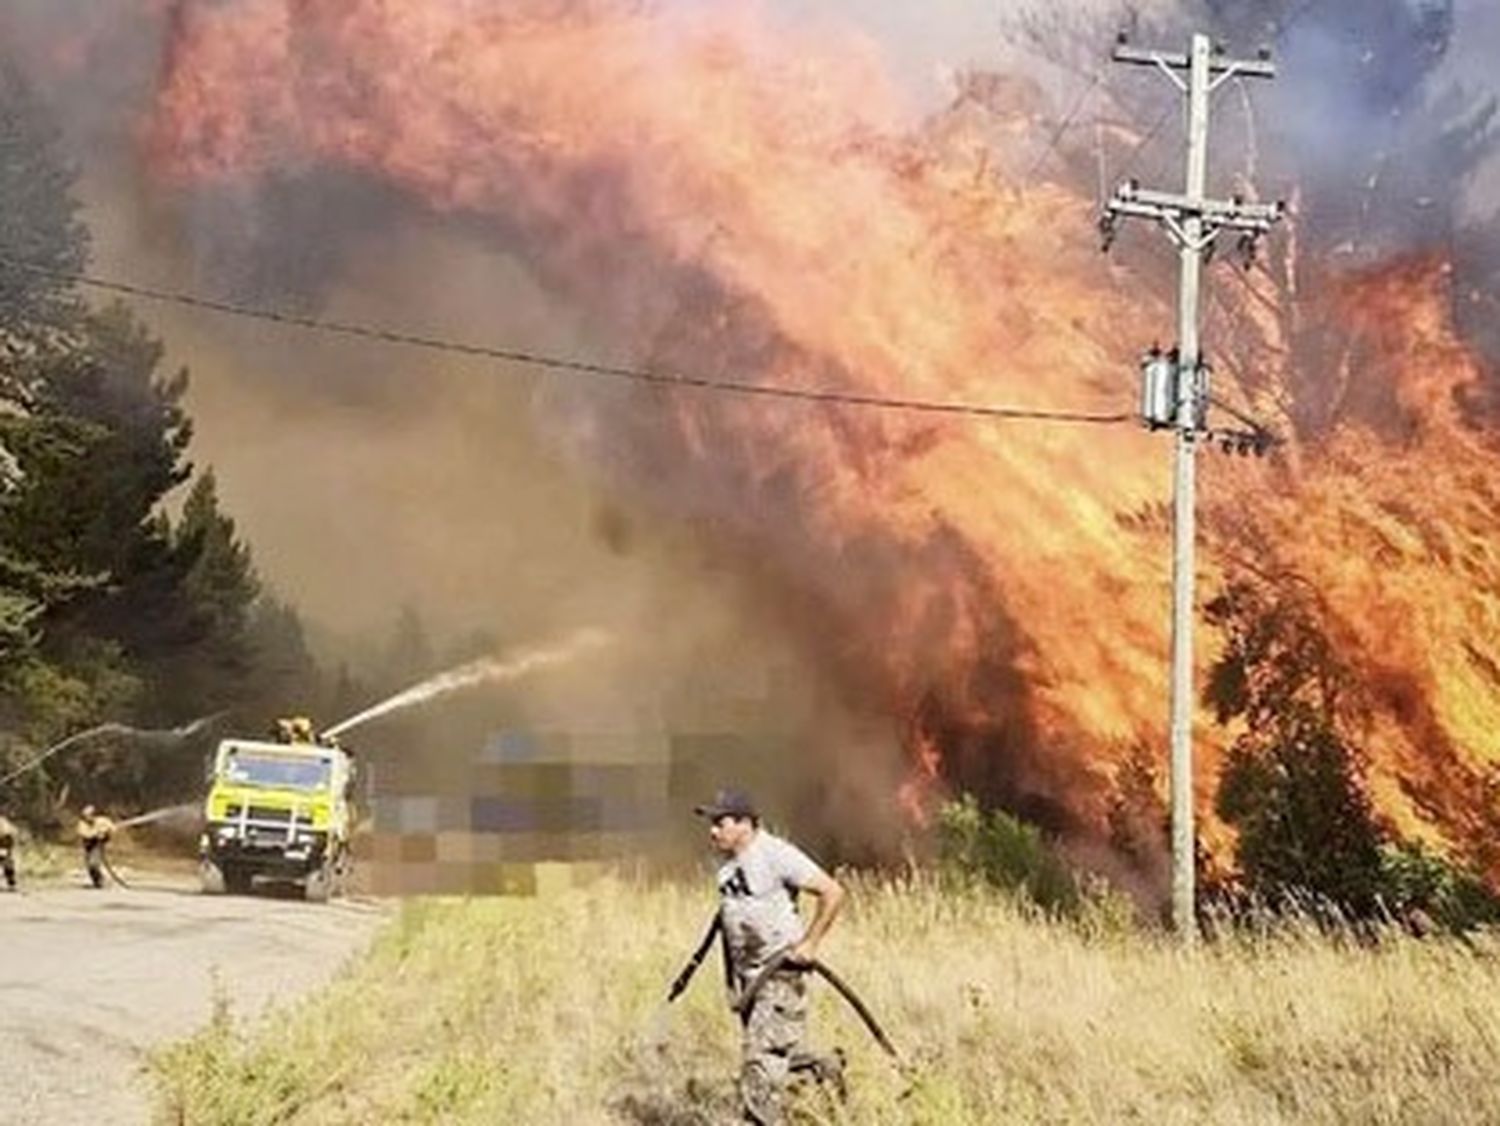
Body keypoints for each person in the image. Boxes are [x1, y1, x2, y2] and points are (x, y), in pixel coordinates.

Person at [695, 787, 846, 1124]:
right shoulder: (728, 867)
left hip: (780, 975)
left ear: (746, 824)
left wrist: (809, 944)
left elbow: (832, 892)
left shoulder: (777, 855)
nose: (713, 830)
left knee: (760, 1063)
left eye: (721, 822)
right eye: (711, 822)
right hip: (748, 979)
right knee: (779, 1051)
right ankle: (824, 1069)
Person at [76, 805, 115, 889]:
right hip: (89, 846)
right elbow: (86, 834)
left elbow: (112, 828)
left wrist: (106, 831)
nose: (88, 818)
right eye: (85, 816)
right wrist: (97, 833)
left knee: (94, 863)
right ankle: (97, 881)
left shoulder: (102, 821)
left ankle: (101, 880)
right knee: (90, 867)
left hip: (98, 846)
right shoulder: (82, 824)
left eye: (89, 815)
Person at [0, 812, 17, 890]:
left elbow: (10, 837)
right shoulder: (4, 822)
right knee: (7, 860)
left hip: (6, 839)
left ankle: (11, 880)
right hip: (6, 838)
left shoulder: (4, 823)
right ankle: (11, 880)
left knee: (7, 860)